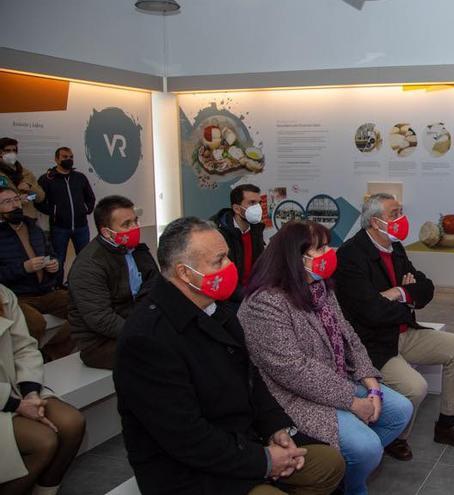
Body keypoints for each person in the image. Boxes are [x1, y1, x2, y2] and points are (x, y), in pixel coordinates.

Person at [114, 217, 344, 495]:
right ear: (185, 273)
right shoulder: (147, 338)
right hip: (191, 470)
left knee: (329, 463)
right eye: (219, 261)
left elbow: (252, 379)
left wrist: (277, 428)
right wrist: (264, 461)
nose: (230, 268)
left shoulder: (217, 311)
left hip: (243, 443)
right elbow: (187, 437)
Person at [240, 221, 412, 495]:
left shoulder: (321, 288)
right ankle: (351, 485)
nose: (330, 252)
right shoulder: (266, 302)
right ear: (296, 258)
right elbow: (294, 369)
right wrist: (353, 402)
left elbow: (349, 336)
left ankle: (342, 476)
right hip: (295, 396)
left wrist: (371, 382)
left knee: (400, 410)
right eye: (321, 248)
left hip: (334, 379)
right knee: (366, 447)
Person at [334, 193, 454, 461]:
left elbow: (426, 287)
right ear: (374, 221)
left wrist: (399, 293)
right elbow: (370, 311)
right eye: (394, 214)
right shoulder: (350, 255)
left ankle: (447, 424)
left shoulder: (395, 246)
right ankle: (394, 436)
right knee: (416, 387)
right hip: (375, 343)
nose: (401, 219)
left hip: (404, 331)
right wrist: (406, 296)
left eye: (400, 211)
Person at [0, 283, 85, 495]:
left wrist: (31, 393)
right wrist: (17, 405)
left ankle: (45, 491)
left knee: (72, 422)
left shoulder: (3, 294)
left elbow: (24, 348)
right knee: (43, 441)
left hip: (16, 389)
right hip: (5, 400)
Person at [68, 195, 158, 369]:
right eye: (126, 224)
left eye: (135, 221)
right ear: (106, 232)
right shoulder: (89, 265)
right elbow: (101, 319)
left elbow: (154, 287)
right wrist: (143, 332)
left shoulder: (138, 250)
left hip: (136, 326)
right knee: (166, 353)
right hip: (101, 343)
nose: (135, 228)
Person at [0, 187, 74, 361]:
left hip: (46, 291)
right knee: (36, 323)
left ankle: (49, 355)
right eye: (7, 202)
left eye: (16, 199)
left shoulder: (34, 228)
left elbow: (51, 252)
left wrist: (54, 265)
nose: (15, 205)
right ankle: (26, 361)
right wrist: (23, 268)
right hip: (18, 297)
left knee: (83, 307)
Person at [36, 147, 95, 284]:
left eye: (71, 157)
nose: (68, 160)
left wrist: (86, 209)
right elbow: (36, 199)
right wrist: (53, 211)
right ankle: (57, 287)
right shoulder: (47, 179)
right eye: (65, 157)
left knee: (85, 258)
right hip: (59, 227)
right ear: (57, 159)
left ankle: (83, 284)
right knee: (58, 260)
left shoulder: (80, 177)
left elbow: (90, 197)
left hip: (81, 227)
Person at [210, 184, 266, 303]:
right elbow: (221, 276)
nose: (258, 208)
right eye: (252, 203)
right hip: (230, 300)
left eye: (259, 203)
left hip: (252, 296)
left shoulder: (257, 229)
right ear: (236, 208)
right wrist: (249, 296)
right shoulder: (218, 233)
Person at [0, 137, 45, 220]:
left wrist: (30, 189)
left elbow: (40, 197)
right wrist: (17, 201)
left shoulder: (26, 173)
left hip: (28, 219)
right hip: (5, 222)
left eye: (14, 150)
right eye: (8, 150)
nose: (12, 153)